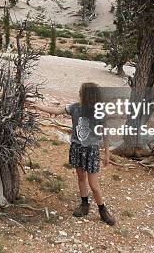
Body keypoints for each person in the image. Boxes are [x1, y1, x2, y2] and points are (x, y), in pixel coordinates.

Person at [31, 82, 116, 226]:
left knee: (94, 184)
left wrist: (107, 154)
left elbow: (106, 133)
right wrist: (38, 106)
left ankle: (103, 210)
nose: (79, 94)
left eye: (81, 92)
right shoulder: (75, 107)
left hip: (92, 150)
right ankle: (84, 204)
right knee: (81, 178)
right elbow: (57, 111)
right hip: (77, 147)